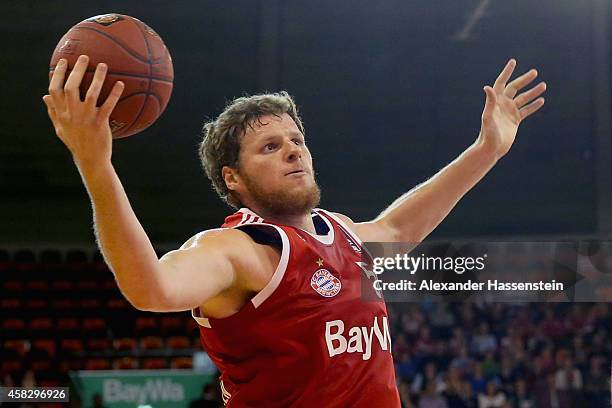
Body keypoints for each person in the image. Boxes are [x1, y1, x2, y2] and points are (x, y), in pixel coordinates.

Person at [42, 55, 546, 407]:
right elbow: (149, 286)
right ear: (232, 179)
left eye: (296, 140)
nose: (293, 150)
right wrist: (96, 165)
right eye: (270, 147)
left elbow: (398, 224)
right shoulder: (238, 250)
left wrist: (487, 149)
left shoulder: (341, 232)